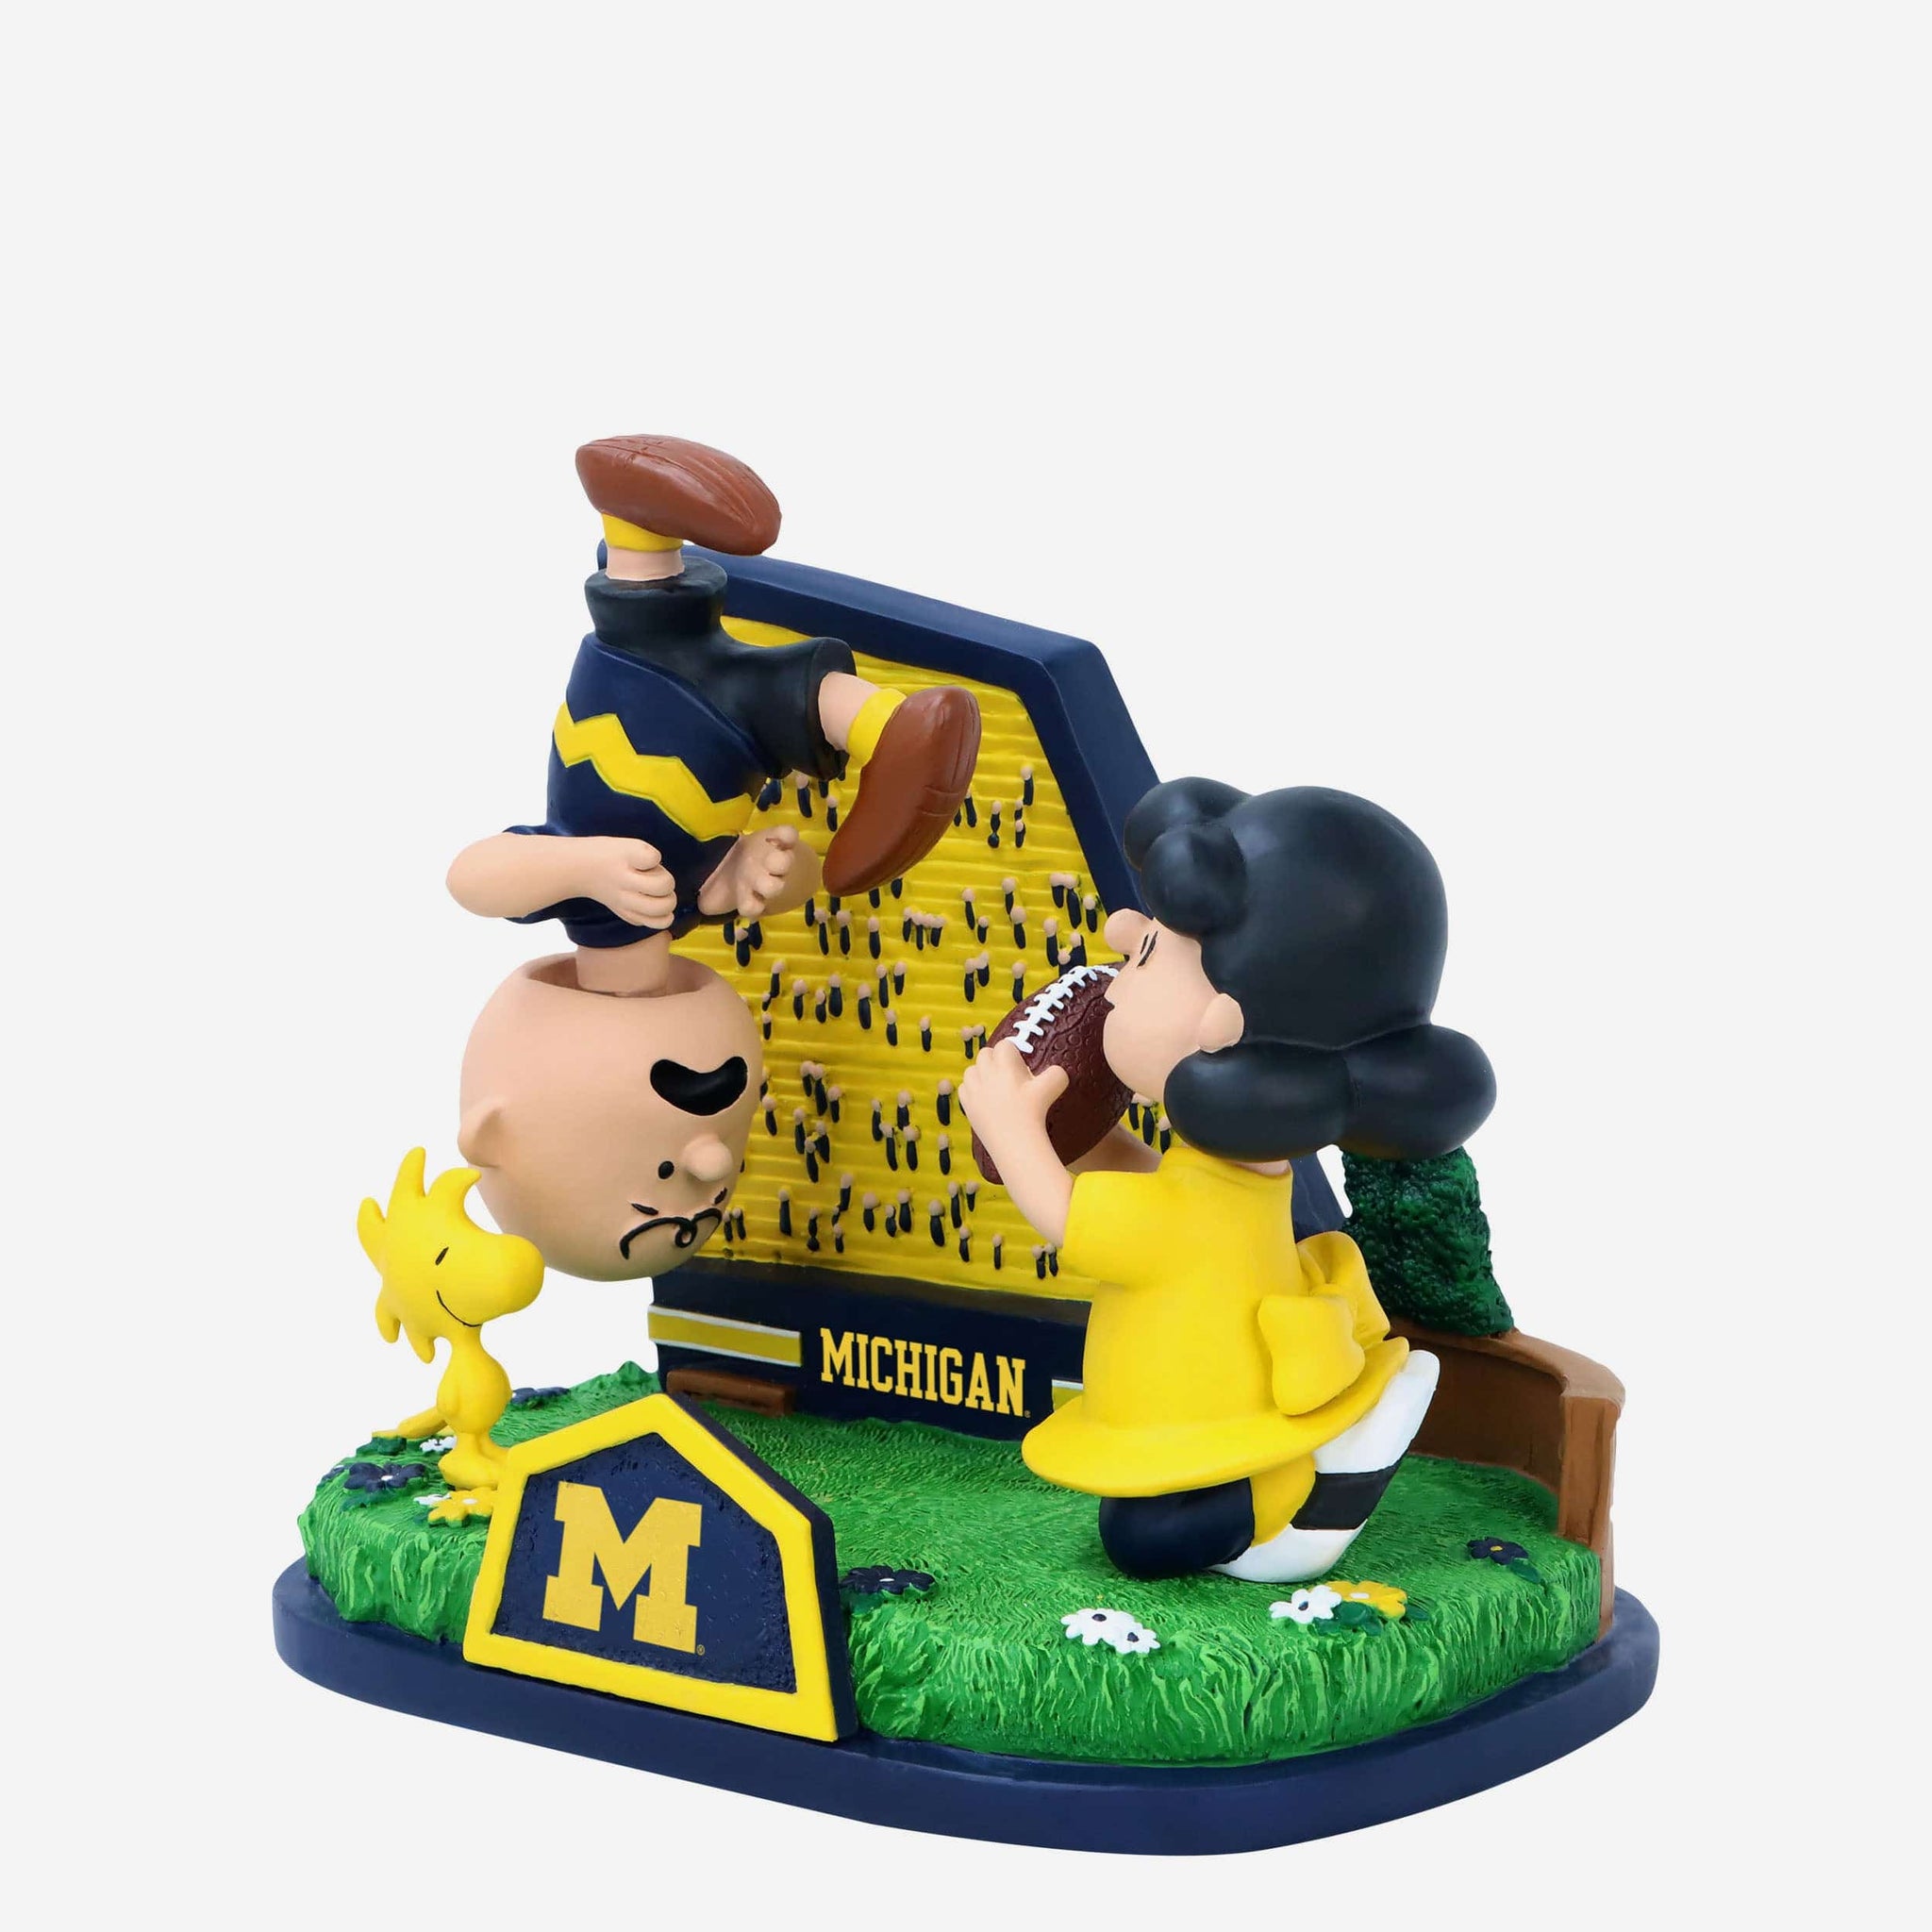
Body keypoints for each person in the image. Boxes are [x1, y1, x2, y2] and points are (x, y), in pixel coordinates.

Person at [960, 779, 1495, 1581]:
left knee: (1141, 1539)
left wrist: (1011, 1129)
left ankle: (1313, 1500)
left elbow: (1073, 1220)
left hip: (1215, 1435)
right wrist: (1082, 1137)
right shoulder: (1224, 1183)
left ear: (1221, 1027)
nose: (1118, 952)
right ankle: (1305, 1478)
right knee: (1140, 1518)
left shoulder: (1190, 1212)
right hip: (1208, 1414)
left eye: (1147, 955)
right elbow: (1151, 1196)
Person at [448, 435, 980, 995]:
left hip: (626, 699)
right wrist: (747, 871)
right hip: (715, 749)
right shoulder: (692, 901)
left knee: (692, 658)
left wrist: (584, 867)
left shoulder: (572, 894)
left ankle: (634, 524)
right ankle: (887, 725)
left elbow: (470, 876)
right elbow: (811, 878)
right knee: (762, 694)